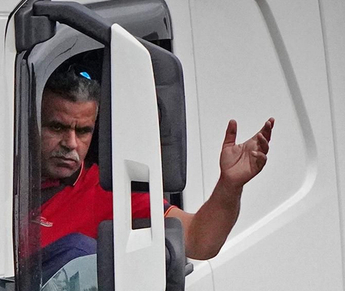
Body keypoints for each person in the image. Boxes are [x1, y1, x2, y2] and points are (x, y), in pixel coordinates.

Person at [37, 63, 273, 260]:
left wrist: (229, 186)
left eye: (83, 131)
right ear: (30, 125)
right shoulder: (1, 175)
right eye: (57, 127)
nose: (71, 143)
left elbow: (198, 240)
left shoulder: (107, 189)